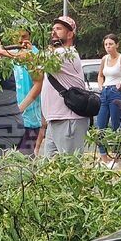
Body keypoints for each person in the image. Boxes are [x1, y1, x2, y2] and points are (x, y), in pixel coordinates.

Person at [40, 15, 89, 156]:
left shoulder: (66, 53)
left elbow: (32, 59)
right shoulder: (55, 54)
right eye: (53, 29)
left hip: (68, 119)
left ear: (70, 34)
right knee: (49, 165)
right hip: (56, 119)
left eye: (59, 28)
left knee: (70, 165)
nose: (54, 32)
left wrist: (1, 52)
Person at [94, 34, 121, 162]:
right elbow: (100, 75)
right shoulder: (104, 59)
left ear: (117, 45)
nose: (108, 47)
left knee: (116, 126)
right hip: (105, 92)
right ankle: (104, 157)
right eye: (106, 44)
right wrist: (100, 86)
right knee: (100, 126)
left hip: (116, 92)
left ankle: (117, 156)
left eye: (111, 44)